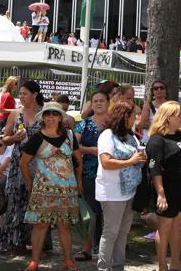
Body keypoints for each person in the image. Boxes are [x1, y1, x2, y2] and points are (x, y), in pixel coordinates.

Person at [20, 101, 81, 271]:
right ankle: (34, 261)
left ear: (60, 117)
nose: (51, 117)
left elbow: (78, 160)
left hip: (67, 189)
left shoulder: (70, 136)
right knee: (40, 225)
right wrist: (30, 183)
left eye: (55, 114)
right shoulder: (37, 137)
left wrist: (79, 182)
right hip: (43, 189)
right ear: (43, 117)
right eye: (47, 114)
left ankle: (68, 260)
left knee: (65, 225)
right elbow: (23, 163)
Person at [0, 80, 45, 255]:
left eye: (24, 93)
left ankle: (36, 243)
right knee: (15, 202)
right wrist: (14, 138)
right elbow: (4, 139)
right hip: (18, 162)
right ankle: (14, 242)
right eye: (20, 93)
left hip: (39, 163)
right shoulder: (16, 114)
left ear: (35, 95)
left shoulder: (45, 114)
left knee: (36, 202)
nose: (21, 97)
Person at [147, 101, 181, 271]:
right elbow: (155, 169)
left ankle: (175, 262)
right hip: (168, 190)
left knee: (178, 226)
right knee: (165, 228)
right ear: (168, 117)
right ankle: (162, 266)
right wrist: (161, 193)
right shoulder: (157, 140)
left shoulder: (180, 134)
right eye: (178, 115)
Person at [96, 101, 146, 271]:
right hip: (111, 192)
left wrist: (141, 159)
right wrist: (131, 161)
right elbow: (106, 162)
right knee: (111, 232)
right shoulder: (107, 135)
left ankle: (118, 267)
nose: (136, 118)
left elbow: (137, 158)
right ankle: (104, 268)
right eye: (133, 115)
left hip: (129, 192)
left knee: (123, 233)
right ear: (124, 116)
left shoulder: (131, 136)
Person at [73, 90, 109, 262]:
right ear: (91, 104)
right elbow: (74, 146)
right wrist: (92, 150)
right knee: (90, 212)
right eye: (95, 101)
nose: (99, 103)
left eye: (102, 100)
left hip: (111, 175)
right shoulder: (84, 124)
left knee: (107, 212)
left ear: (108, 103)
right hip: (88, 173)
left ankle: (105, 250)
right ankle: (86, 249)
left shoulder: (115, 123)